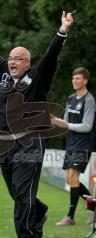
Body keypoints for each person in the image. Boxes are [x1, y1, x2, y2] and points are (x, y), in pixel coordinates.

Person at [0, 3, 74, 238]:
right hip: (4, 144)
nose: (12, 61)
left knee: (23, 196)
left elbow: (51, 56)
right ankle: (40, 210)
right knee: (17, 193)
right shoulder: (2, 71)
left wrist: (62, 31)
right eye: (11, 57)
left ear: (27, 63)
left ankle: (26, 236)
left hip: (28, 143)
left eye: (18, 58)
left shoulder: (38, 76)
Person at [51, 67, 96, 225]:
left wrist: (67, 125)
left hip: (83, 145)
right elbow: (65, 122)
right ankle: (94, 207)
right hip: (71, 144)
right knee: (70, 180)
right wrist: (56, 122)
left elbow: (87, 126)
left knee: (73, 178)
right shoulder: (70, 98)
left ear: (85, 81)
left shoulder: (89, 100)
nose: (75, 81)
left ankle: (70, 217)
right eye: (73, 78)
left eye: (78, 78)